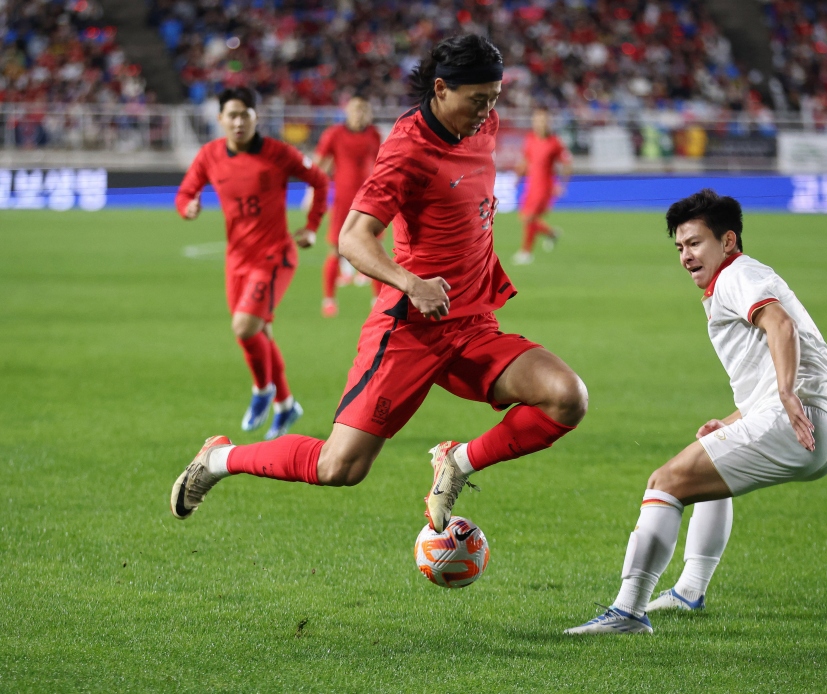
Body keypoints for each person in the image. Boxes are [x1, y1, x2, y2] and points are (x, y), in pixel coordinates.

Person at [170, 35, 588, 535]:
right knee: (339, 468)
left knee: (567, 397)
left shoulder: (484, 124)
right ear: (440, 89)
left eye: (494, 99)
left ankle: (456, 463)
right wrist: (412, 283)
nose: (488, 112)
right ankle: (219, 459)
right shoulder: (408, 149)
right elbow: (352, 238)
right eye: (478, 100)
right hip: (411, 327)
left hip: (473, 321)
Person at [565, 189, 827, 635]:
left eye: (695, 243)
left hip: (797, 416)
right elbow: (770, 362)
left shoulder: (738, 275)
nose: (685, 255)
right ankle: (688, 591)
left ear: (728, 241)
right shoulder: (737, 279)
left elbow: (781, 324)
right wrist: (737, 421)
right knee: (707, 458)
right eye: (679, 247)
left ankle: (627, 613)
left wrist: (788, 394)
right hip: (819, 425)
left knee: (666, 481)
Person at [175, 87, 328, 440]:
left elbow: (319, 181)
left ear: (256, 117)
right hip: (237, 260)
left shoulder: (278, 153)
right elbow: (185, 193)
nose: (238, 121)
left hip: (274, 256)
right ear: (221, 120)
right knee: (261, 334)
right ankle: (287, 404)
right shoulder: (210, 155)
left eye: (245, 114)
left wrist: (311, 227)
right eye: (232, 115)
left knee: (245, 328)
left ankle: (262, 391)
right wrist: (188, 208)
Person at [310, 95, 383, 317]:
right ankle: (329, 300)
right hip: (343, 201)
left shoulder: (374, 134)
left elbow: (381, 163)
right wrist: (315, 188)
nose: (359, 114)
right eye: (355, 110)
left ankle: (377, 301)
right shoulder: (334, 134)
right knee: (336, 249)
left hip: (370, 199)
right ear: (348, 112)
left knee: (375, 250)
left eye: (363, 110)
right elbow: (319, 164)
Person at [512, 108, 571, 265]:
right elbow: (525, 160)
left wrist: (562, 184)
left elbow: (567, 164)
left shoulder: (554, 142)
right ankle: (551, 233)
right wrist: (518, 177)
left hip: (545, 187)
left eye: (543, 120)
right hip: (531, 185)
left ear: (548, 122)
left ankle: (526, 252)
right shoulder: (530, 139)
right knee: (526, 218)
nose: (540, 124)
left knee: (529, 217)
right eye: (537, 120)